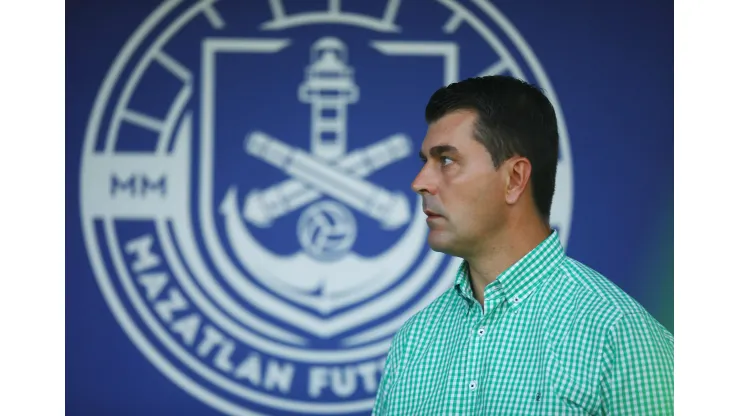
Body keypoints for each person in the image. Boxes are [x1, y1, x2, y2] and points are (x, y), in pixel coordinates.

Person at [372, 75, 674, 415]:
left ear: (514, 179)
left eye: (446, 160)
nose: (419, 182)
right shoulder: (414, 341)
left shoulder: (619, 336)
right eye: (425, 161)